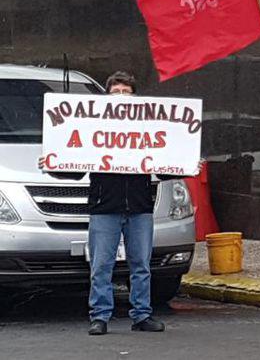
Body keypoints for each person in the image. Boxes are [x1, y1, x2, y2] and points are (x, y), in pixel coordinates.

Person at [84, 72, 165, 336]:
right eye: (116, 91)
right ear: (107, 97)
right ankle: (99, 316)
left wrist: (186, 166)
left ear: (135, 97)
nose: (121, 96)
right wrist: (51, 164)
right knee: (101, 265)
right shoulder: (94, 128)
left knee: (141, 265)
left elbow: (163, 164)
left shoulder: (147, 129)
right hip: (105, 207)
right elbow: (74, 164)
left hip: (139, 207)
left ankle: (142, 315)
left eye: (126, 92)